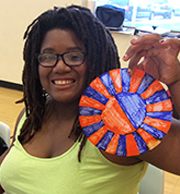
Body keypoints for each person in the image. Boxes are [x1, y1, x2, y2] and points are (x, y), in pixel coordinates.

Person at [0, 5, 180, 194]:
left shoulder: (125, 123)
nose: (60, 66)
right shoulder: (32, 114)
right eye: (48, 56)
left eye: (74, 56)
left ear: (98, 58)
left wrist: (175, 80)